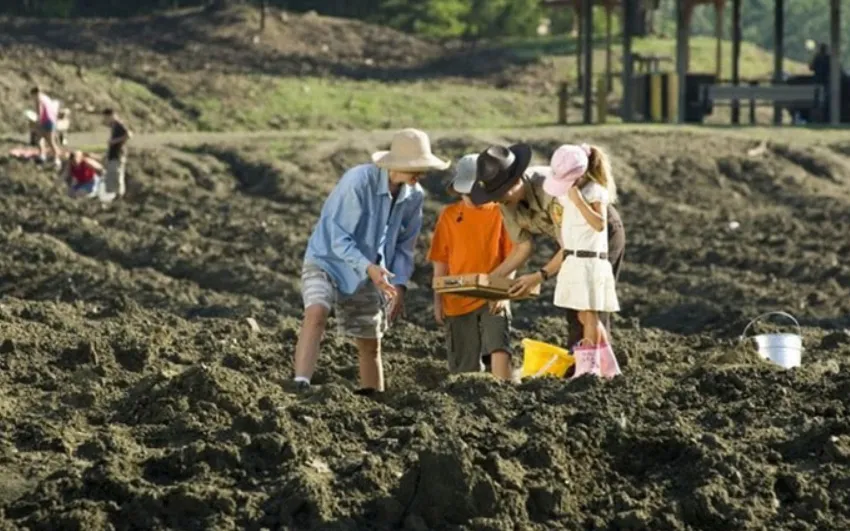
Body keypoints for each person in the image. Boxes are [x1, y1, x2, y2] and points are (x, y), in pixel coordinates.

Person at [292, 128, 450, 394]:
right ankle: (300, 383)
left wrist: (399, 284)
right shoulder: (358, 181)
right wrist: (368, 267)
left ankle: (373, 398)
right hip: (327, 259)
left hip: (371, 269)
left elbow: (405, 245)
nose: (421, 175)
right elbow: (337, 235)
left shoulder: (414, 195)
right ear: (398, 165)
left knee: (370, 340)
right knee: (316, 312)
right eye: (417, 168)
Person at [469, 143, 626, 351]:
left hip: (596, 233)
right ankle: (595, 364)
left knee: (586, 305)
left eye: (500, 194)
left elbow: (570, 246)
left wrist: (539, 276)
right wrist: (492, 284)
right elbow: (521, 247)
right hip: (570, 242)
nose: (498, 201)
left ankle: (589, 370)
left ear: (515, 183)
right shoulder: (506, 204)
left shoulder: (551, 190)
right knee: (577, 304)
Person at [428, 154, 515, 380]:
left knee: (499, 346)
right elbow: (440, 260)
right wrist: (438, 300)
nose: (471, 198)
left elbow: (512, 257)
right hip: (456, 296)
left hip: (493, 294)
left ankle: (504, 391)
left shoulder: (501, 213)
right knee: (463, 368)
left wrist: (503, 293)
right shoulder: (448, 215)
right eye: (466, 192)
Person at [544, 144, 621, 378]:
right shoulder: (568, 194)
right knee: (582, 314)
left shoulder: (595, 191)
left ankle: (589, 368)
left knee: (589, 315)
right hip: (574, 259)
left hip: (590, 261)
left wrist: (579, 203)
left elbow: (599, 224)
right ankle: (608, 366)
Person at [102, 109, 132, 200]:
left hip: (118, 154)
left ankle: (120, 195)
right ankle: (114, 195)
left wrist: (114, 141)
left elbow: (129, 135)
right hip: (113, 154)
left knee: (117, 174)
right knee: (112, 175)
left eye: (106, 118)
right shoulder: (114, 126)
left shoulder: (119, 124)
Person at [30, 86, 61, 168]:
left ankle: (52, 158)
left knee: (46, 140)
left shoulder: (38, 100)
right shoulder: (46, 97)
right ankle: (47, 157)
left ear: (34, 94)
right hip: (52, 121)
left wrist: (37, 122)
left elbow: (39, 112)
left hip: (45, 122)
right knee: (43, 139)